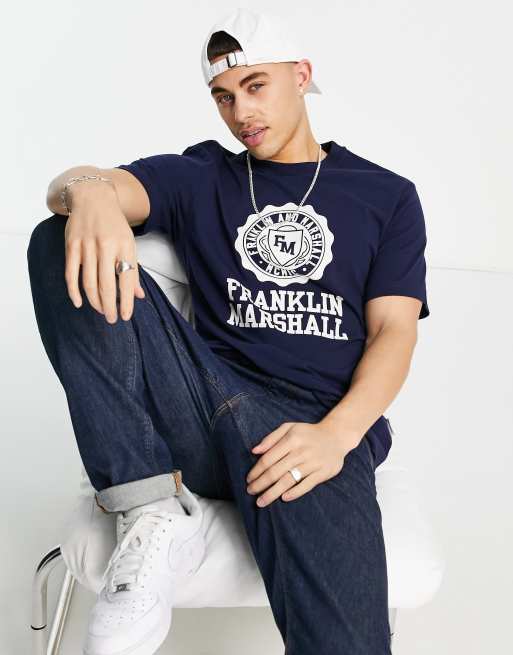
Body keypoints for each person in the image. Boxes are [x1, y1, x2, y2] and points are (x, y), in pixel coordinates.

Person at [27, 8, 429, 655]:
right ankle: (149, 505)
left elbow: (393, 333)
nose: (240, 111)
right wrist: (89, 191)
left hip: (307, 435)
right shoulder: (202, 174)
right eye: (223, 96)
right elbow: (77, 189)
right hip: (201, 401)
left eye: (255, 86)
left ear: (301, 75)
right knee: (58, 238)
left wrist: (337, 435)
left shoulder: (385, 197)